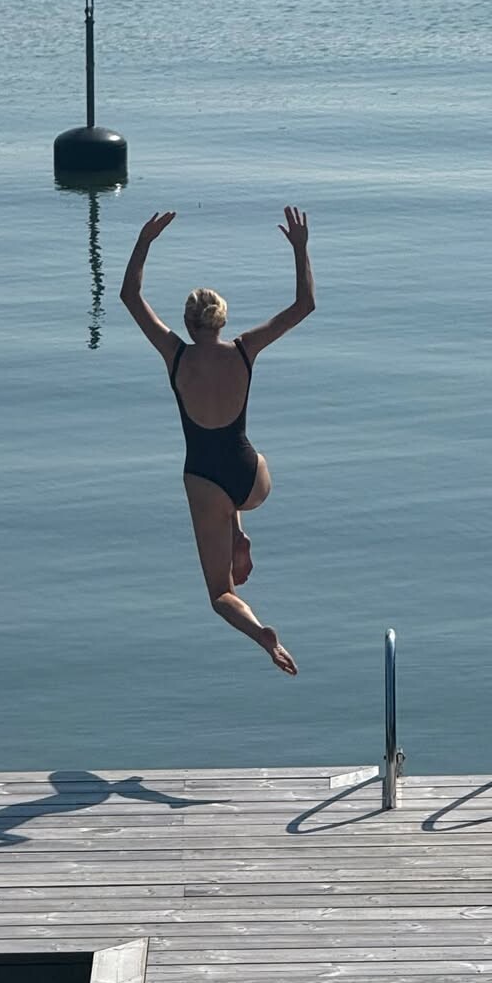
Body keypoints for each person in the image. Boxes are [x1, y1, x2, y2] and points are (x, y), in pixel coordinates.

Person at [120, 205, 315, 674]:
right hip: (250, 480)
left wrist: (145, 241)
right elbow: (303, 306)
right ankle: (239, 529)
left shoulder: (176, 355)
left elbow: (129, 295)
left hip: (205, 481)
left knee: (220, 593)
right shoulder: (245, 351)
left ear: (189, 324)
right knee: (252, 457)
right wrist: (300, 249)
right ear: (222, 321)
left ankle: (261, 633)